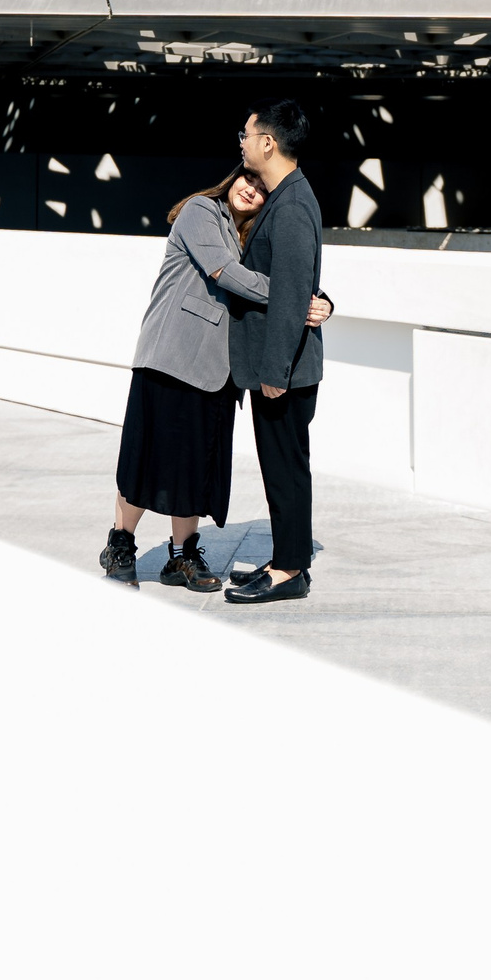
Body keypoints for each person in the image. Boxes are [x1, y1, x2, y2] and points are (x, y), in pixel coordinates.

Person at [102, 166, 330, 591]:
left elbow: (290, 268)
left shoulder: (253, 233)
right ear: (231, 178)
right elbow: (224, 271)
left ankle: (182, 556)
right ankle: (120, 544)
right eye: (248, 179)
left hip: (217, 372)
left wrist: (320, 301)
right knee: (148, 457)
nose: (252, 189)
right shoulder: (200, 211)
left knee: (191, 467)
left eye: (262, 189)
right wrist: (295, 299)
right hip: (171, 356)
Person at [222, 100, 327, 606]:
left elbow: (289, 292)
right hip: (281, 365)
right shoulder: (288, 197)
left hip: (283, 370)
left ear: (268, 142)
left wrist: (275, 370)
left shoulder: (290, 204)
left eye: (245, 134)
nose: (240, 142)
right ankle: (289, 557)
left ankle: (290, 571)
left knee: (285, 470)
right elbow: (303, 288)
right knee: (283, 468)